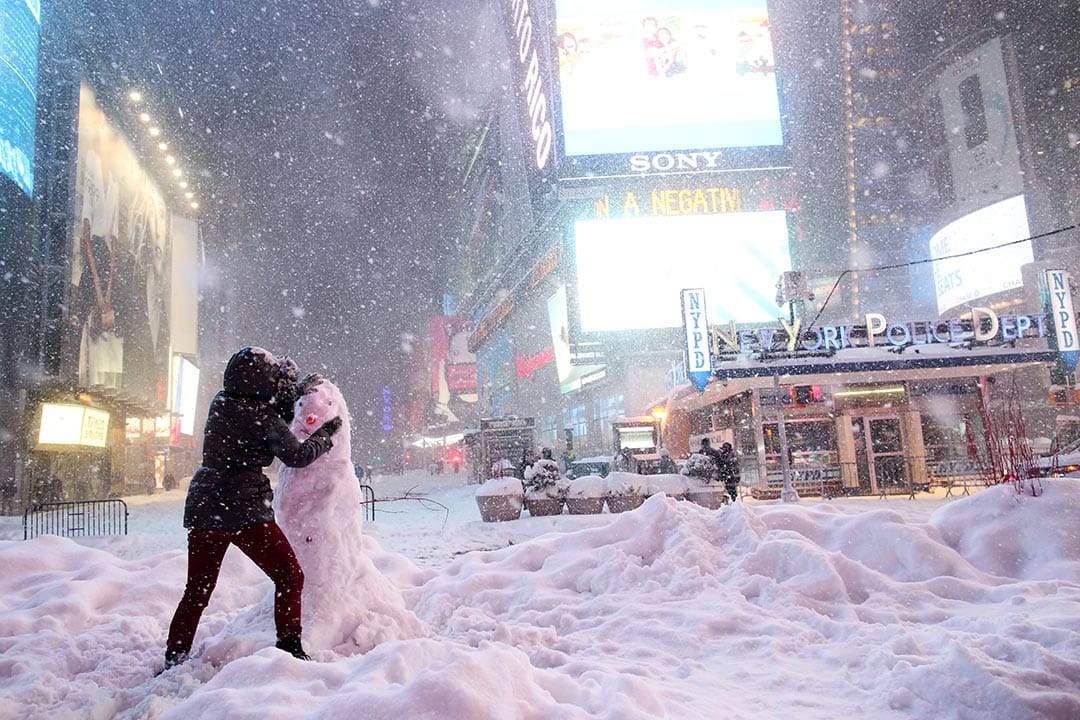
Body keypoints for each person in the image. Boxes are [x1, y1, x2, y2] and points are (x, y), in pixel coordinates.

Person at [163, 347, 342, 671]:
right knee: (289, 576)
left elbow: (261, 422)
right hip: (243, 509)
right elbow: (297, 456)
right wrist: (325, 436)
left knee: (197, 591)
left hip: (206, 506)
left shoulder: (221, 403)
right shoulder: (262, 417)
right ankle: (290, 647)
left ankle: (174, 657)